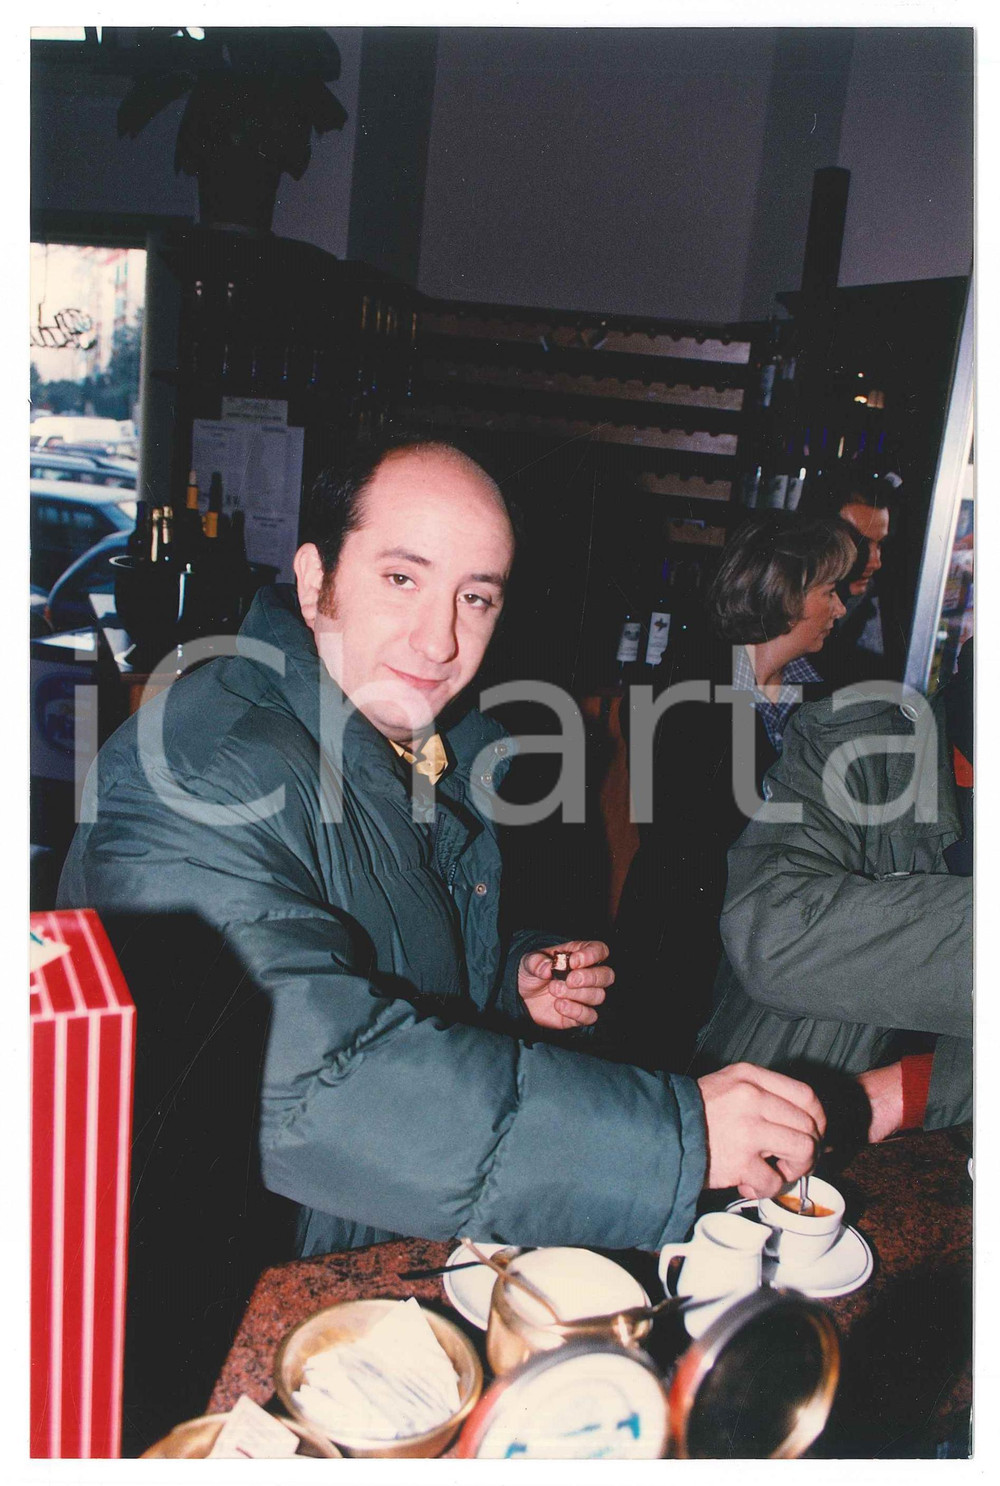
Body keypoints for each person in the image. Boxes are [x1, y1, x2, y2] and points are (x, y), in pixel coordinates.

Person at [57, 436, 826, 1262]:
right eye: (402, 579)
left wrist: (508, 980)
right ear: (316, 581)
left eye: (476, 598)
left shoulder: (416, 744)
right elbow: (308, 1084)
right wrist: (677, 1137)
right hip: (228, 1283)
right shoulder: (203, 771)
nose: (440, 641)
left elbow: (373, 961)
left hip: (377, 1226)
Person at [694, 637, 972, 1136]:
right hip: (778, 1125)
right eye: (831, 590)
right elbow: (772, 932)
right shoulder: (857, 739)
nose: (842, 610)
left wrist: (915, 1088)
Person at [610, 513, 856, 1065]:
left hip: (771, 940)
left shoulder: (820, 692)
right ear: (785, 593)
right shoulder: (687, 693)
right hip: (683, 949)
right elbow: (687, 850)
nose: (841, 608)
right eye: (830, 590)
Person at [799, 470, 896, 686]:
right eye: (860, 544)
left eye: (879, 544)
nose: (875, 562)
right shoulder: (786, 601)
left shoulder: (870, 599)